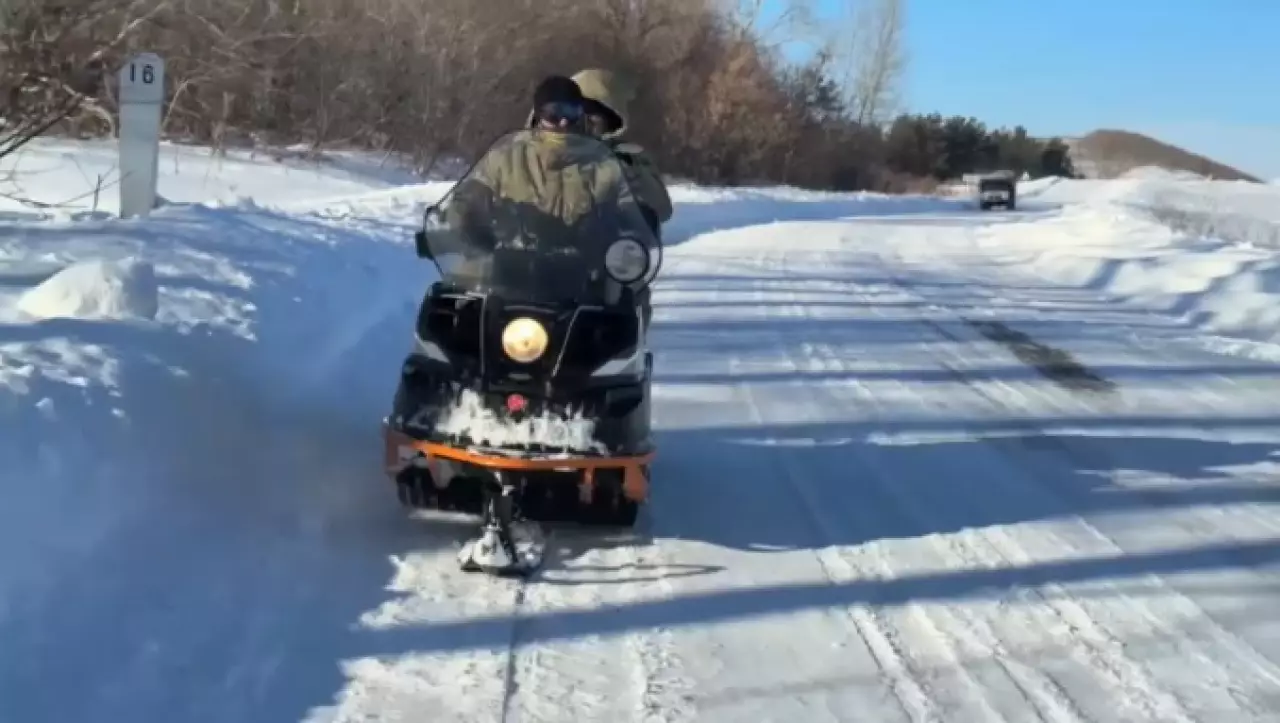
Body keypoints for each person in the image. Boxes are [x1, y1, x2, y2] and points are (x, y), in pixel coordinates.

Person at [441, 75, 657, 312]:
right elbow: (466, 198)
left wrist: (628, 230)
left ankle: (628, 347)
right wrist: (469, 229)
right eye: (554, 112)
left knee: (627, 298)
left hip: (584, 273)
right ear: (539, 114)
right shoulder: (505, 157)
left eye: (571, 112)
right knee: (452, 297)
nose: (563, 121)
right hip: (510, 265)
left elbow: (633, 210)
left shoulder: (604, 165)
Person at [569, 69, 672, 234]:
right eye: (577, 111)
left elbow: (661, 208)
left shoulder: (627, 156)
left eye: (593, 112)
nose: (584, 121)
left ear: (610, 117)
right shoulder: (540, 152)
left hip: (607, 248)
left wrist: (628, 173)